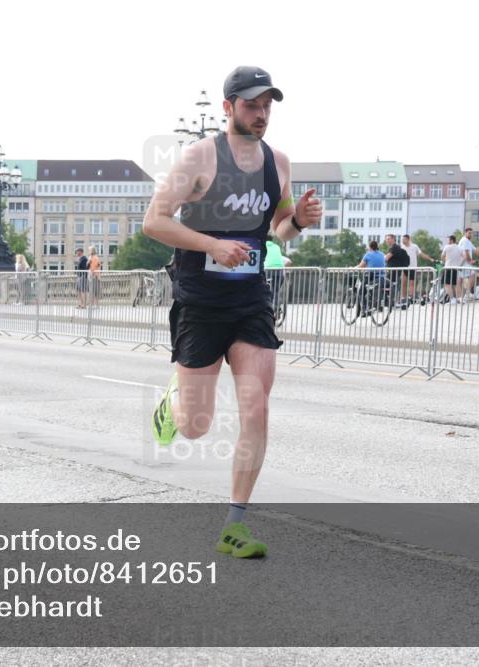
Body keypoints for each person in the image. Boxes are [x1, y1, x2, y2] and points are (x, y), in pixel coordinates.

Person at [143, 66, 322, 558]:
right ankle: (175, 400)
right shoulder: (199, 156)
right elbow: (154, 221)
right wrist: (211, 246)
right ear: (227, 108)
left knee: (257, 406)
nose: (261, 114)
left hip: (250, 302)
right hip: (200, 302)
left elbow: (278, 231)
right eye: (250, 105)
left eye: (267, 105)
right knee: (196, 425)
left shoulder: (278, 163)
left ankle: (234, 525)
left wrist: (299, 223)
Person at [401, 234, 434, 303]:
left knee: (412, 283)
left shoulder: (414, 246)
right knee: (404, 283)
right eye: (402, 239)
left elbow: (421, 254)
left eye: (404, 239)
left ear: (408, 239)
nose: (402, 241)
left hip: (413, 267)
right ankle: (403, 298)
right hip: (405, 267)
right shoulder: (402, 247)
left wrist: (430, 259)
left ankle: (410, 297)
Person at [357, 240, 387, 311]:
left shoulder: (368, 254)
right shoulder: (382, 254)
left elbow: (361, 266)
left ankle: (364, 309)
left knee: (361, 292)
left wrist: (352, 268)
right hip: (382, 277)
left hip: (372, 277)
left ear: (370, 247)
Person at [459, 227, 479, 302]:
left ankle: (462, 297)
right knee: (473, 274)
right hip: (463, 263)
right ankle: (467, 294)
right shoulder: (465, 241)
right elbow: (466, 252)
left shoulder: (468, 241)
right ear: (465, 233)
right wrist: (471, 261)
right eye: (469, 233)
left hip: (464, 263)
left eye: (472, 233)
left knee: (462, 279)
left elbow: (475, 251)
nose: (471, 234)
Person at [383, 234, 410, 307]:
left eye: (388, 239)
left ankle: (392, 301)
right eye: (386, 239)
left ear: (393, 239)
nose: (387, 240)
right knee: (391, 285)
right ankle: (391, 301)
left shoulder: (395, 247)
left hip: (393, 270)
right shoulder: (393, 247)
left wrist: (383, 257)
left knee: (390, 285)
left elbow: (386, 258)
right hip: (393, 269)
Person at [440, 234, 466, 304]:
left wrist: (445, 261)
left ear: (451, 240)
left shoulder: (447, 247)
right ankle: (460, 299)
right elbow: (464, 257)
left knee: (447, 284)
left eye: (448, 240)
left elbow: (442, 257)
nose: (447, 241)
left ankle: (452, 299)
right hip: (456, 268)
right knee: (456, 284)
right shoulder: (460, 248)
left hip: (448, 267)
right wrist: (459, 263)